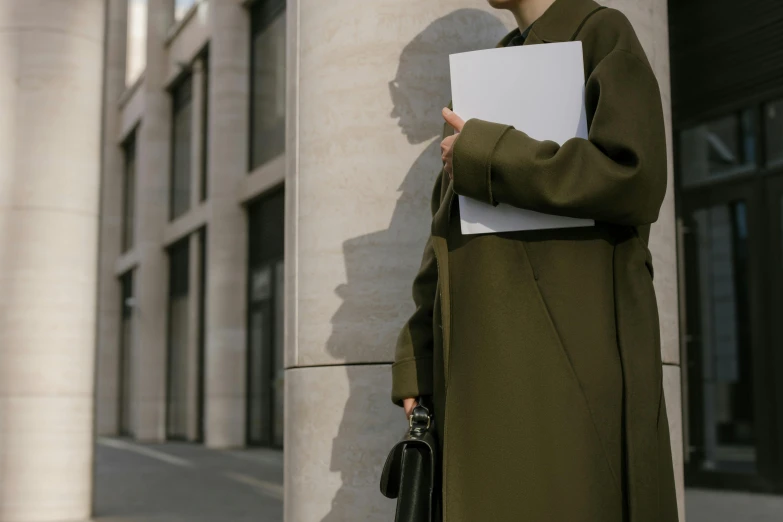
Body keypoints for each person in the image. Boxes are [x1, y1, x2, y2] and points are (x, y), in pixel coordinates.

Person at [390, 0, 680, 520]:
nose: (395, 105)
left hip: (570, 359)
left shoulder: (601, 32)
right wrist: (418, 358)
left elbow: (635, 176)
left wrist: (490, 155)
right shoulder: (497, 62)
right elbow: (446, 234)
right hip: (483, 360)